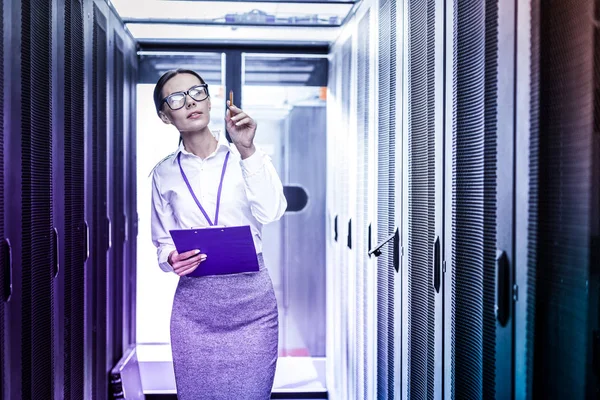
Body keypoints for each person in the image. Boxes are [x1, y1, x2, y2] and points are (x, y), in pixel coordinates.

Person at [150, 68, 287, 399]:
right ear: (165, 115)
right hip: (194, 309)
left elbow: (272, 212)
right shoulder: (162, 173)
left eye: (197, 92)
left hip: (251, 305)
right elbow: (161, 242)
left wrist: (248, 150)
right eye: (177, 98)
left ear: (210, 101)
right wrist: (170, 258)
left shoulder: (245, 157)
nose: (190, 102)